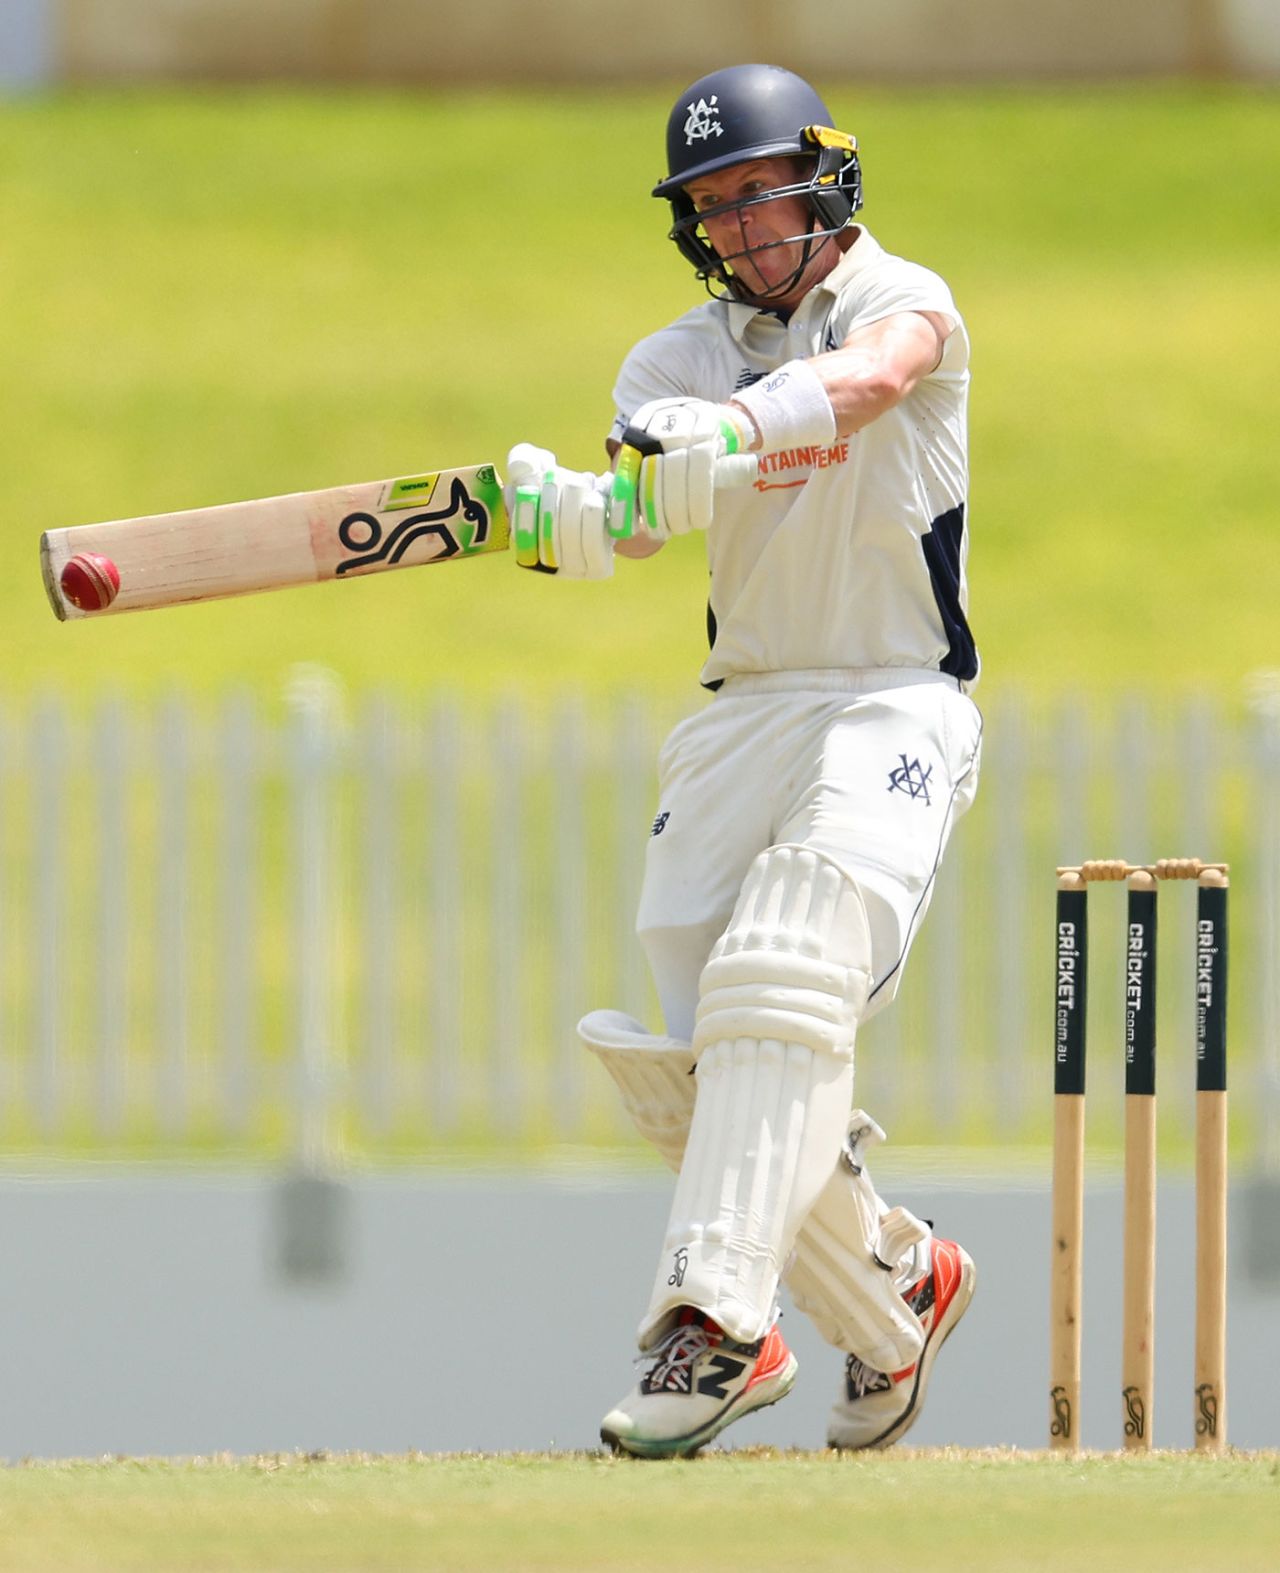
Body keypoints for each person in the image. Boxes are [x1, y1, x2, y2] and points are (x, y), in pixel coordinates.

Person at [506, 62, 982, 1458]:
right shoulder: (672, 361)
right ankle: (899, 1293)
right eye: (712, 209)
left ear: (824, 182)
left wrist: (734, 428)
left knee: (785, 967)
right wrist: (579, 518)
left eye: (757, 195)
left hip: (893, 696)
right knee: (697, 1056)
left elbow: (873, 382)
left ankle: (718, 1317)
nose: (737, 228)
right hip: (741, 710)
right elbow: (641, 518)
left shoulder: (913, 302)